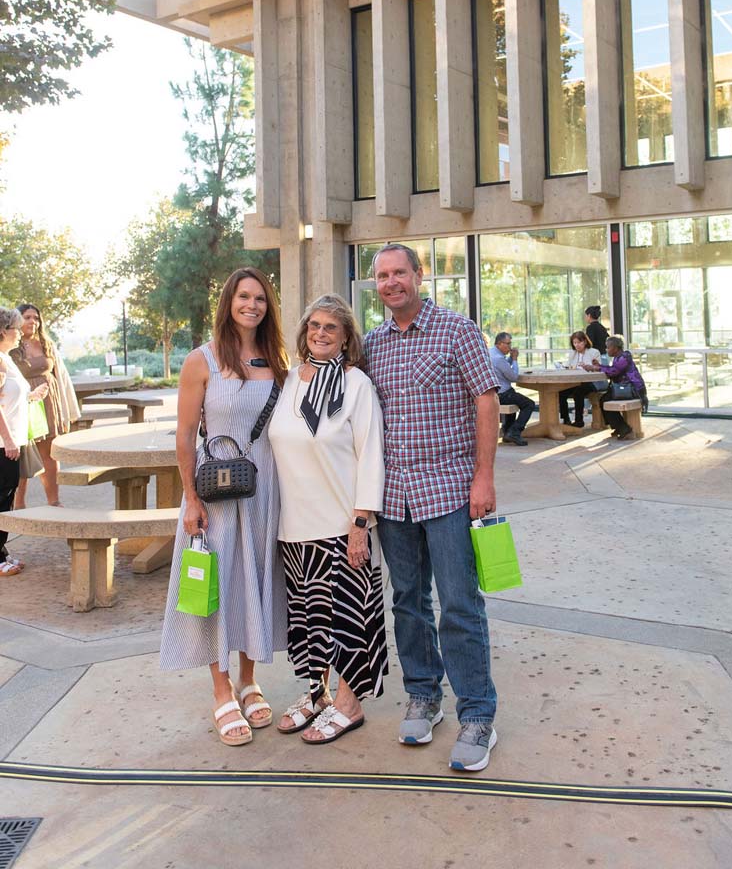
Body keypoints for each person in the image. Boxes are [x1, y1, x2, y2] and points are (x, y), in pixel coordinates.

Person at [364, 243, 500, 773]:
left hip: (448, 490)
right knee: (408, 603)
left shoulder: (456, 329)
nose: (392, 282)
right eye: (383, 275)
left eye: (400, 272)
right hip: (393, 497)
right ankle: (424, 695)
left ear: (420, 276)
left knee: (461, 604)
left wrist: (484, 478)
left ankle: (478, 713)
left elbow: (485, 400)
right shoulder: (372, 344)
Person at [160, 268, 288, 747]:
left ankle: (249, 678)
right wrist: (190, 499)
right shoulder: (202, 360)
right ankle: (220, 689)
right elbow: (184, 436)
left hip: (264, 491)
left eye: (259, 298)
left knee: (254, 580)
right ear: (228, 302)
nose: (251, 304)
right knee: (218, 583)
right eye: (243, 296)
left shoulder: (276, 360)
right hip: (214, 493)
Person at [269, 293, 388, 745]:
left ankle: (349, 702)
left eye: (331, 328)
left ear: (345, 338)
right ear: (304, 332)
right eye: (314, 325)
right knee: (309, 618)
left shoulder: (357, 384)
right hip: (294, 526)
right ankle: (317, 693)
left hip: (341, 525)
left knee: (349, 620)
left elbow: (370, 455)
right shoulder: (288, 383)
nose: (320, 333)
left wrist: (361, 524)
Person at [12, 303, 79, 508]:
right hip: (25, 403)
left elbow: (61, 375)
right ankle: (19, 505)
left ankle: (54, 501)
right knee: (23, 455)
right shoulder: (10, 344)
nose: (33, 321)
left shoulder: (46, 343)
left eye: (36, 317)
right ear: (17, 320)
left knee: (49, 453)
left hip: (49, 402)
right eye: (27, 317)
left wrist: (69, 408)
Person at [0, 307, 48, 578]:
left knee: (6, 499)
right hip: (3, 444)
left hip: (12, 441)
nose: (20, 333)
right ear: (2, 331)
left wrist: (32, 397)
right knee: (1, 500)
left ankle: (2, 552)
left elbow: (10, 398)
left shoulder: (6, 358)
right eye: (16, 328)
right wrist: (7, 439)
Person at [489, 332, 534, 446]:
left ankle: (507, 432)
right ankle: (514, 432)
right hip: (502, 394)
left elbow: (503, 367)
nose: (510, 347)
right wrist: (514, 359)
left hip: (493, 392)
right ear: (499, 344)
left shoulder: (491, 352)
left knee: (514, 396)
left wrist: (509, 359)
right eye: (508, 344)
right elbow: (513, 377)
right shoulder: (498, 358)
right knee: (529, 404)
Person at [599, 336, 648, 439]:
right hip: (625, 388)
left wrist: (598, 367)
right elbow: (613, 369)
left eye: (608, 347)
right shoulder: (619, 357)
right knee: (604, 399)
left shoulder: (623, 358)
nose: (606, 349)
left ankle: (625, 430)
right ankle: (618, 426)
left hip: (634, 390)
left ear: (615, 348)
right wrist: (599, 366)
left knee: (605, 401)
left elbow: (614, 371)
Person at [558, 331, 601, 428]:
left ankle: (579, 420)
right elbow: (569, 366)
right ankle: (566, 419)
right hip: (575, 382)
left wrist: (589, 367)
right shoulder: (573, 353)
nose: (577, 345)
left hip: (590, 382)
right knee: (561, 392)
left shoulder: (594, 352)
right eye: (574, 343)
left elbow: (598, 369)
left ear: (585, 341)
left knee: (579, 392)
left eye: (579, 342)